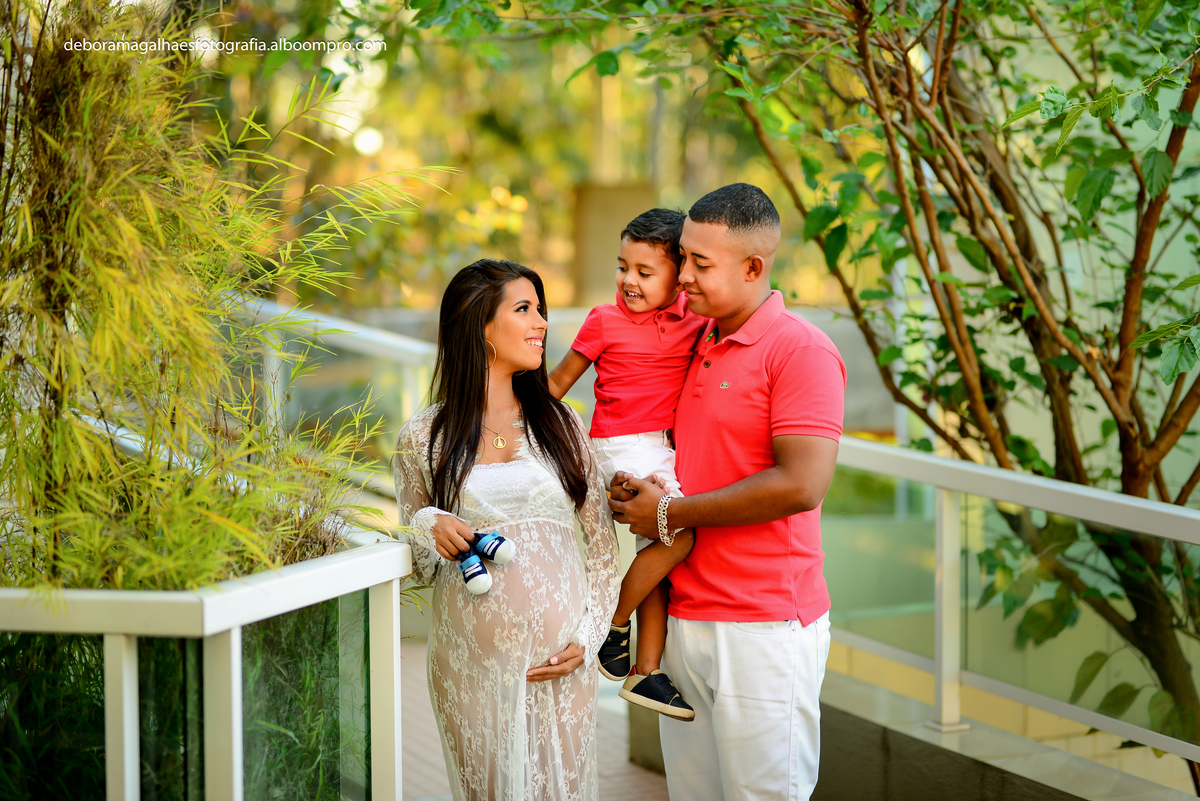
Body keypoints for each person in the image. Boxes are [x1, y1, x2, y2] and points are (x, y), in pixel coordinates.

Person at [609, 183, 846, 801]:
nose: (680, 275)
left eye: (698, 264)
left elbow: (801, 484)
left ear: (753, 267)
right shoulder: (693, 341)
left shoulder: (801, 351)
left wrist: (666, 512)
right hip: (683, 622)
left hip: (763, 629)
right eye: (681, 257)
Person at [392, 258, 620, 801]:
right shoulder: (422, 437)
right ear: (480, 327)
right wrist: (427, 524)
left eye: (540, 309)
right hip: (468, 668)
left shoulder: (561, 425)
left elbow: (604, 553)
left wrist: (586, 642)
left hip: (561, 666)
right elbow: (418, 568)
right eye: (524, 309)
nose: (542, 322)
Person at [547, 208, 705, 721]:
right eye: (622, 267)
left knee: (657, 553)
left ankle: (645, 672)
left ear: (677, 275)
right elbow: (555, 385)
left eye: (644, 271)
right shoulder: (604, 320)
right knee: (679, 534)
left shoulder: (693, 320)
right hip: (618, 445)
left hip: (657, 447)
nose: (628, 281)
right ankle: (612, 624)